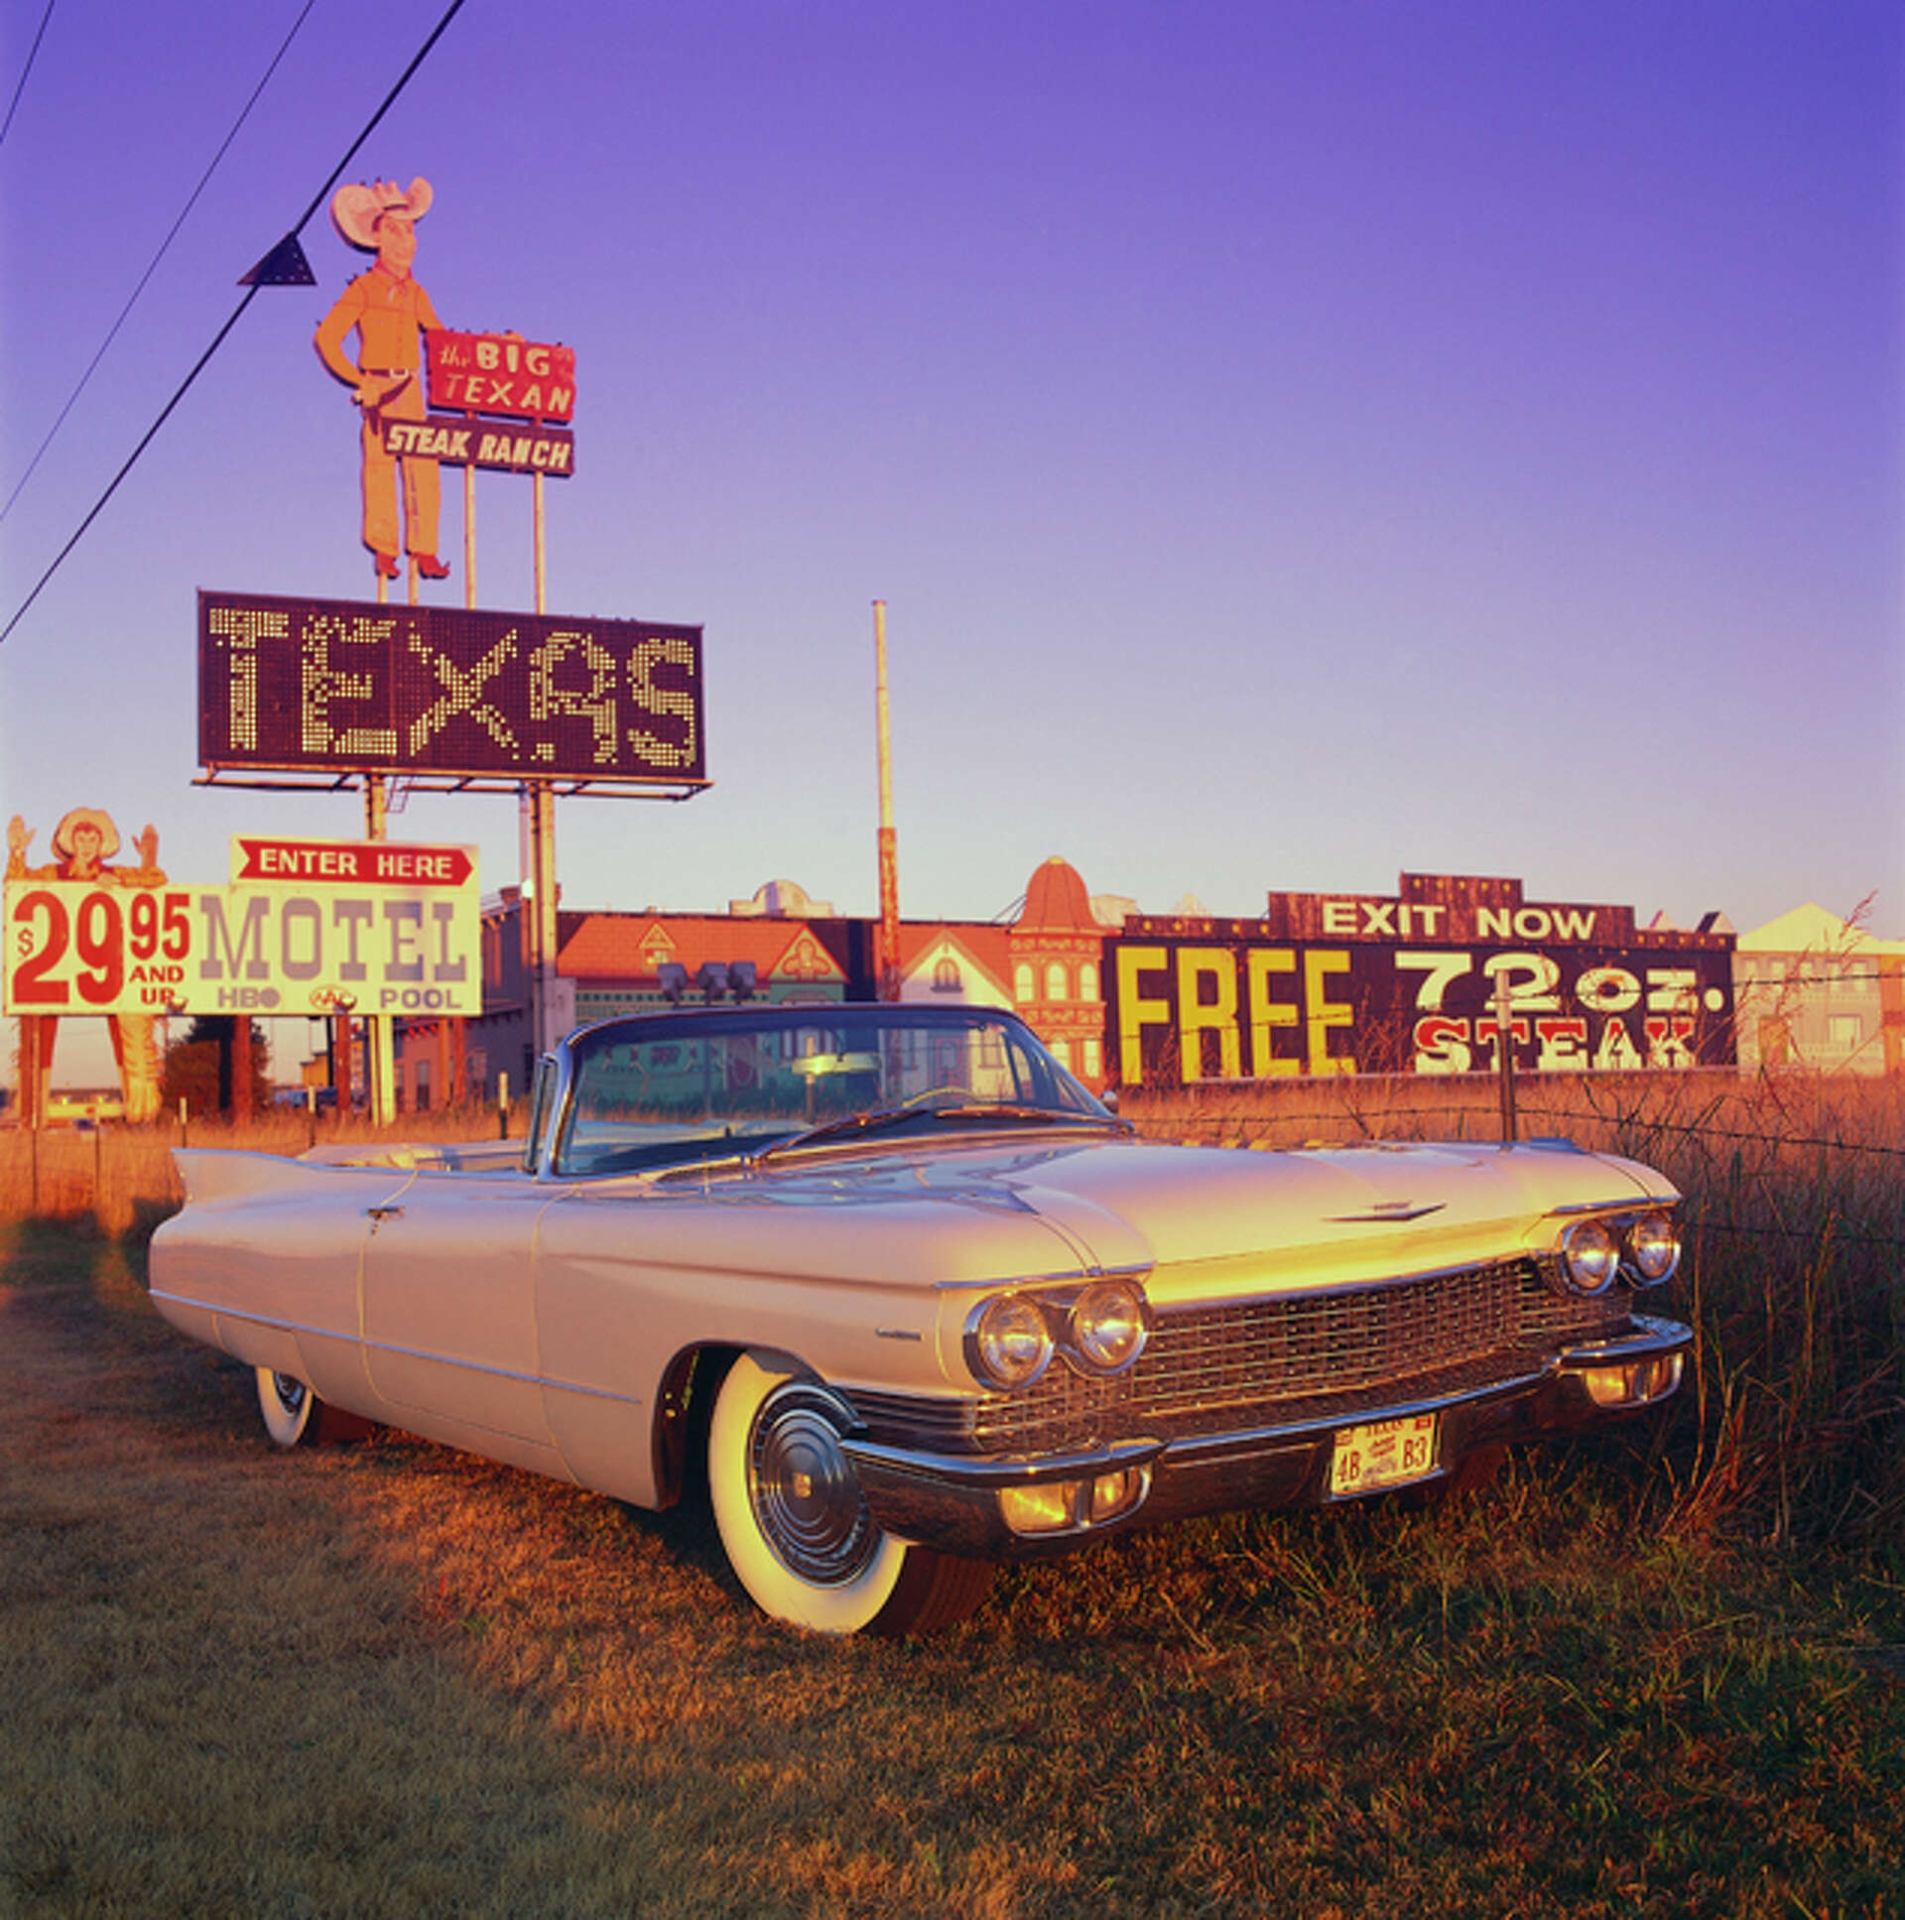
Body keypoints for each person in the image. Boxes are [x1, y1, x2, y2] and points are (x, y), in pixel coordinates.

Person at [314, 177, 450, 581]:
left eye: (409, 231)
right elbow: (327, 339)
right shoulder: (363, 289)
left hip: (412, 389)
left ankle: (425, 549)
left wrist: (494, 350)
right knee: (379, 469)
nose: (406, 241)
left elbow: (442, 340)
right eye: (395, 231)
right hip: (378, 388)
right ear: (377, 238)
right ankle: (384, 548)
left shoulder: (417, 293)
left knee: (424, 466)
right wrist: (360, 381)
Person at [6, 810, 165, 1123]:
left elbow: (156, 879)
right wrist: (17, 852)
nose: (87, 844)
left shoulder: (113, 872)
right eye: (82, 838)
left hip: (107, 965)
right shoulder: (53, 874)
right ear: (71, 842)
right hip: (56, 964)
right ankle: (31, 1112)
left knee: (130, 1026)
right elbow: (17, 882)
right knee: (37, 1030)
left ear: (101, 842)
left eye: (93, 838)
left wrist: (130, 873)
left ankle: (142, 1113)